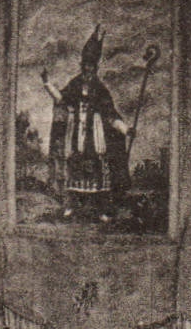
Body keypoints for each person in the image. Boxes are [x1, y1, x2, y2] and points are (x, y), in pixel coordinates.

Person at [42, 25, 132, 207]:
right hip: (76, 132)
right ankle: (71, 206)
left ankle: (100, 208)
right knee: (75, 165)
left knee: (97, 167)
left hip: (96, 133)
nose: (87, 70)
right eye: (85, 67)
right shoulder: (75, 84)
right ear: (82, 67)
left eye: (91, 67)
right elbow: (61, 99)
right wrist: (47, 83)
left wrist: (126, 129)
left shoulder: (101, 90)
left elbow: (110, 115)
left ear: (95, 69)